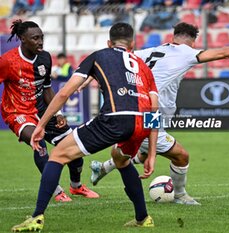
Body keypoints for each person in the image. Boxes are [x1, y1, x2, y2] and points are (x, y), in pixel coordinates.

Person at [87, 22, 229, 205]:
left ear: (173, 37)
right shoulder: (186, 53)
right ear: (193, 42)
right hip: (149, 114)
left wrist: (88, 77)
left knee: (140, 154)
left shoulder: (149, 51)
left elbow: (113, 61)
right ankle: (179, 195)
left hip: (141, 110)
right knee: (181, 156)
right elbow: (222, 53)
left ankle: (102, 168)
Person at [12, 22, 159, 232]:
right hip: (141, 124)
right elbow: (154, 110)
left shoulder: (99, 55)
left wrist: (41, 124)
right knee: (120, 158)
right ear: (132, 44)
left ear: (109, 43)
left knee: (57, 156)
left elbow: (63, 94)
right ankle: (143, 218)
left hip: (115, 119)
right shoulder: (144, 67)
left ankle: (36, 218)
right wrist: (151, 153)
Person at [0, 20, 98, 203]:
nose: (40, 42)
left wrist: (58, 113)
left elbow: (47, 89)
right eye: (35, 38)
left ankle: (76, 187)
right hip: (18, 112)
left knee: (74, 147)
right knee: (39, 143)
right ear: (22, 39)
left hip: (43, 110)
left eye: (41, 38)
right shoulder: (7, 61)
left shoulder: (45, 58)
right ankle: (56, 190)